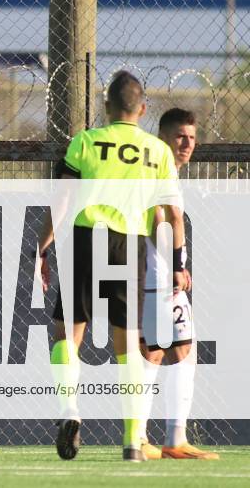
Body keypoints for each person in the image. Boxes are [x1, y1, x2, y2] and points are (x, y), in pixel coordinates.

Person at [36, 71, 187, 463]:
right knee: (127, 346)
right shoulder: (158, 151)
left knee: (67, 333)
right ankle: (133, 442)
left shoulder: (85, 142)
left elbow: (62, 200)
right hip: (131, 243)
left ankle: (69, 410)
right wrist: (177, 263)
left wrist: (43, 246)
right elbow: (171, 215)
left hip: (90, 237)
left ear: (105, 107)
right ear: (142, 108)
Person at [136, 108, 218, 460]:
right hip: (158, 273)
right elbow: (160, 218)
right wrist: (175, 266)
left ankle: (156, 437)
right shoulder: (157, 167)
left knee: (165, 352)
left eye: (192, 138)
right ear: (164, 138)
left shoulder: (160, 168)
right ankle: (159, 438)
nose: (186, 144)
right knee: (169, 352)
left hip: (156, 272)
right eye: (180, 137)